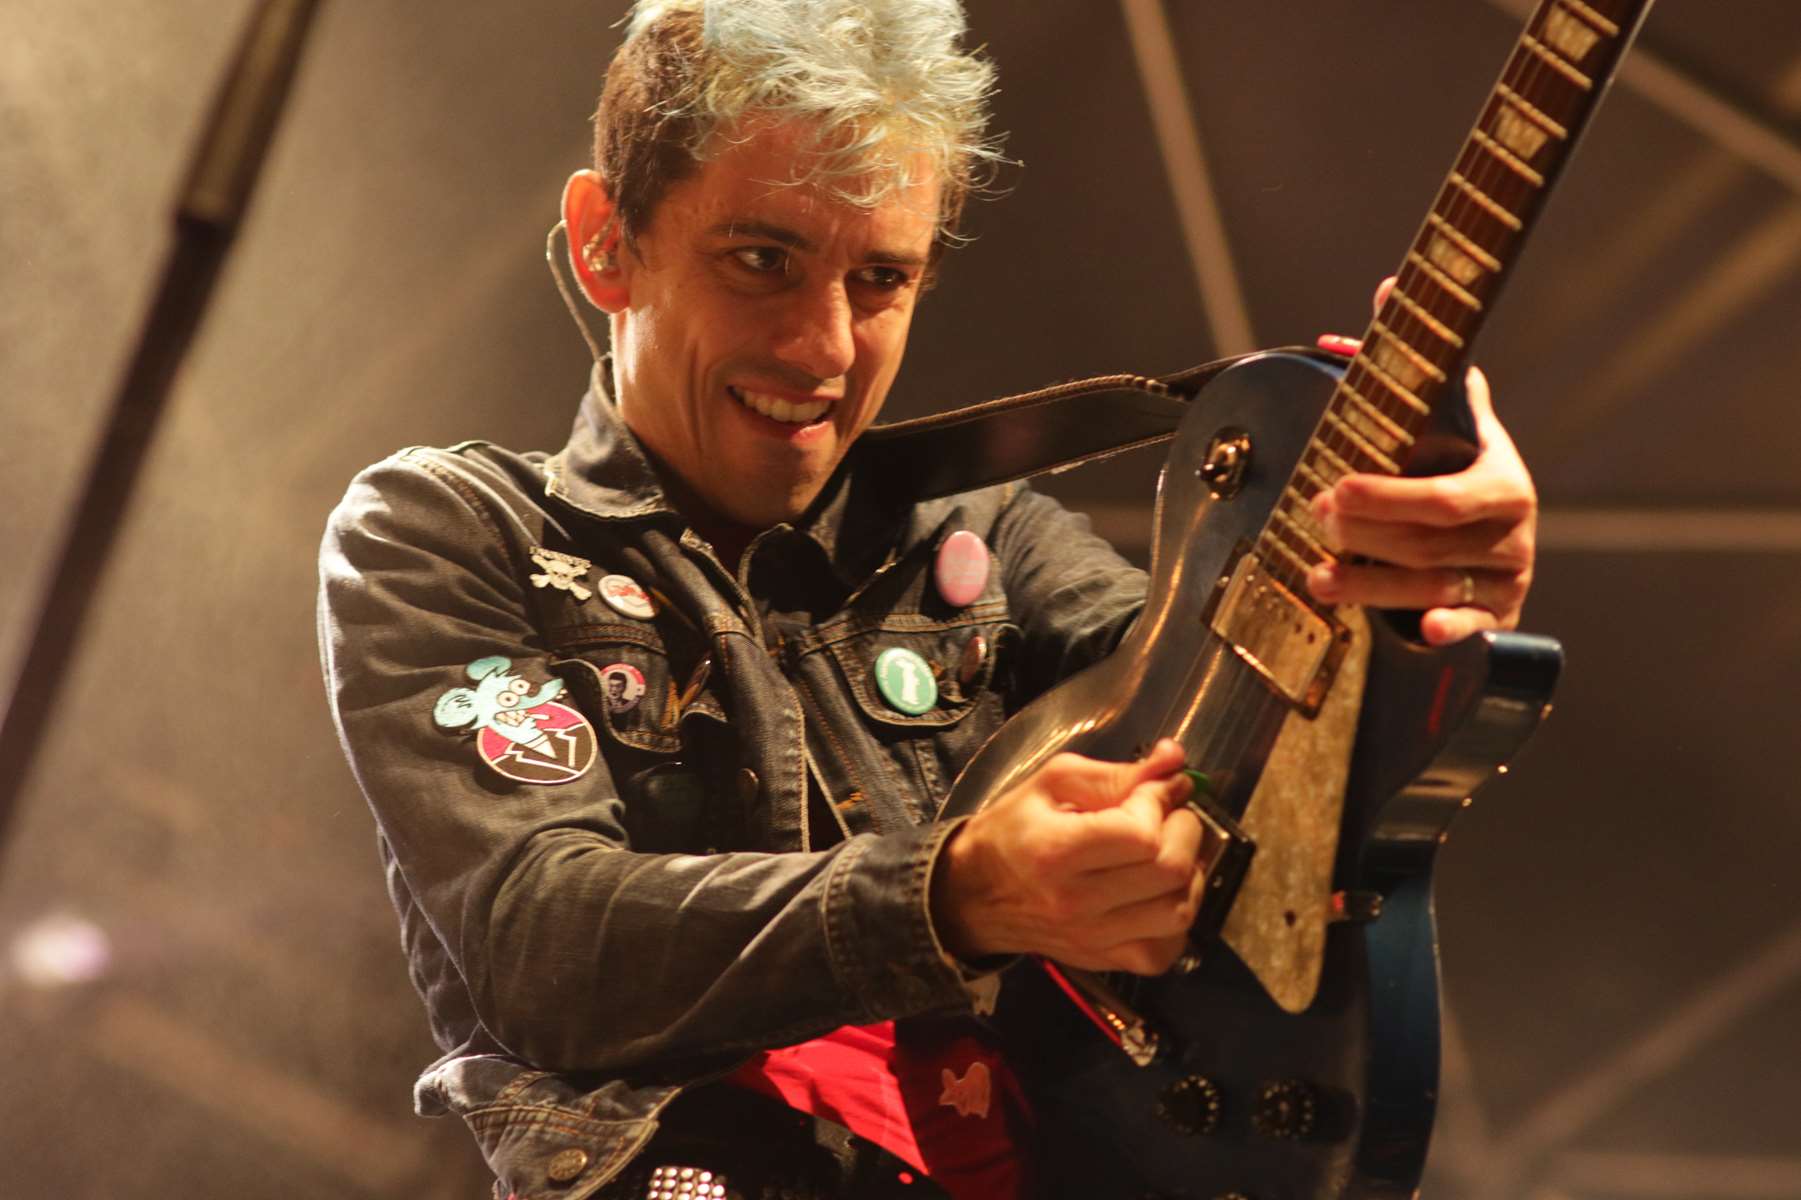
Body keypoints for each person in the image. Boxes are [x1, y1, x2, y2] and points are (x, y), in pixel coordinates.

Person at [316, 2, 1538, 1197]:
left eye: (881, 278)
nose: (824, 347)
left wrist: (1400, 593)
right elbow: (543, 946)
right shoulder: (447, 527)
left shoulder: (991, 536)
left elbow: (1238, 728)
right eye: (761, 260)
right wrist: (953, 894)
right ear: (604, 243)